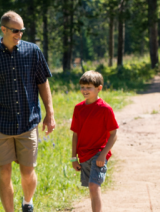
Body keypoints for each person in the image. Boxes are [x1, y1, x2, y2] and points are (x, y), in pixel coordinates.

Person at [0, 11, 55, 212]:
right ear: (3, 30)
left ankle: (27, 203)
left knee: (28, 172)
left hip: (28, 122)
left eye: (22, 31)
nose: (19, 34)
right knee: (4, 173)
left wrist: (50, 114)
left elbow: (43, 83)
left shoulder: (33, 51)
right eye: (15, 31)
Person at [71, 70, 119, 212]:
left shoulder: (105, 109)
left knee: (93, 186)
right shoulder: (78, 109)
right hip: (83, 155)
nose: (84, 90)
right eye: (82, 87)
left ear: (99, 88)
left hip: (98, 154)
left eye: (88, 87)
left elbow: (113, 133)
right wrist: (73, 158)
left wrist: (103, 154)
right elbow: (75, 135)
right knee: (91, 189)